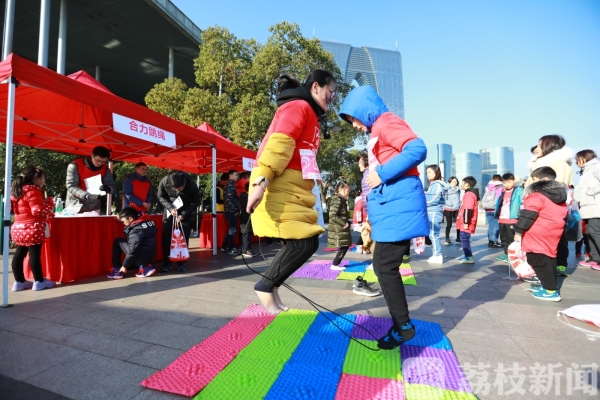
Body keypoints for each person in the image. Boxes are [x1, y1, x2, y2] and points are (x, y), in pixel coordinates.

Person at [339, 85, 428, 349]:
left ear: (363, 110)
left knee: (384, 266)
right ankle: (402, 324)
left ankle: (403, 326)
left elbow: (417, 148)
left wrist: (383, 173)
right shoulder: (376, 131)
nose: (353, 125)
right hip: (391, 208)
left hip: (398, 206)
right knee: (383, 265)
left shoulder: (386, 122)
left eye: (353, 118)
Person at [246, 70, 336, 315]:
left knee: (302, 243)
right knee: (304, 244)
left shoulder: (308, 112)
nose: (332, 98)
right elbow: (279, 144)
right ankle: (265, 285)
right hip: (279, 182)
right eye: (331, 92)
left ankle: (271, 287)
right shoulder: (299, 107)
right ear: (316, 87)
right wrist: (260, 184)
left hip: (293, 185)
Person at [515, 167, 568, 301]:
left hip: (538, 231)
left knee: (537, 258)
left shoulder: (537, 195)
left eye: (534, 179)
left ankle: (550, 291)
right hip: (553, 231)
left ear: (543, 180)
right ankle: (548, 285)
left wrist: (519, 231)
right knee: (549, 258)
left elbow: (528, 215)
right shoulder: (558, 196)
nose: (531, 182)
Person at [527, 135, 574, 272]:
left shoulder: (560, 164)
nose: (537, 148)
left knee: (553, 243)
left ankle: (552, 275)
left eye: (540, 145)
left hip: (547, 211)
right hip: (536, 208)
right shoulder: (538, 165)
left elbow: (556, 189)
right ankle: (543, 275)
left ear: (549, 146)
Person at [10, 167, 56, 291]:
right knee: (35, 254)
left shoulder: (17, 191)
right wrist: (50, 204)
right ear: (36, 179)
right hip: (32, 227)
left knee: (19, 254)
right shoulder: (34, 191)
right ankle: (39, 281)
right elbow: (38, 211)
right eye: (43, 178)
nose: (44, 181)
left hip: (18, 227)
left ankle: (19, 282)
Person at [157, 171, 200, 272]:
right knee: (167, 237)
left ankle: (181, 262)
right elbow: (161, 197)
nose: (177, 191)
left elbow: (196, 201)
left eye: (179, 189)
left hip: (185, 211)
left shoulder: (191, 184)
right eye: (174, 189)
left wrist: (184, 214)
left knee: (183, 237)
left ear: (184, 183)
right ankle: (167, 262)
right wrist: (170, 207)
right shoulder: (164, 181)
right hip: (169, 211)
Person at [107, 207, 157, 279]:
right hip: (149, 257)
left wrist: (124, 266)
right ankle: (145, 266)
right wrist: (122, 218)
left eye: (123, 221)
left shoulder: (135, 230)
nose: (123, 223)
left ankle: (116, 270)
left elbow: (133, 251)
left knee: (118, 241)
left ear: (130, 218)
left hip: (139, 258)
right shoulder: (145, 222)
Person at [66, 146, 116, 213]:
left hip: (94, 205)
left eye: (103, 161)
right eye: (98, 160)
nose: (100, 163)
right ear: (92, 155)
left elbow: (111, 185)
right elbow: (71, 186)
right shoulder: (75, 165)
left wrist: (109, 189)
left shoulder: (105, 168)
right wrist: (86, 195)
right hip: (75, 204)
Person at [574, 150, 600, 270]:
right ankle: (596, 259)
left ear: (584, 158)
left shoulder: (596, 166)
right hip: (588, 206)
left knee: (595, 231)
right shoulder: (586, 170)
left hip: (595, 205)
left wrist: (591, 191)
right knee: (590, 233)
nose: (575, 161)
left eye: (577, 159)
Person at [494, 173, 524, 263]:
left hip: (512, 219)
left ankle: (513, 255)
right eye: (505, 182)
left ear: (514, 181)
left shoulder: (519, 191)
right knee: (503, 238)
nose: (507, 184)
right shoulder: (502, 191)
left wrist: (520, 216)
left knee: (512, 238)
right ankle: (506, 254)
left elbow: (522, 204)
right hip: (502, 219)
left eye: (509, 182)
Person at [425, 164, 449, 263]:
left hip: (434, 211)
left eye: (429, 172)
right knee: (432, 234)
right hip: (432, 211)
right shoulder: (434, 184)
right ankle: (435, 254)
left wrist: (424, 203)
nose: (427, 175)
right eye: (427, 173)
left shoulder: (437, 184)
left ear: (436, 172)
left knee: (434, 235)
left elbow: (435, 199)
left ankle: (437, 255)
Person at [328, 182, 352, 270]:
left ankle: (335, 264)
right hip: (339, 228)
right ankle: (335, 264)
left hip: (340, 228)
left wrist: (348, 223)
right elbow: (333, 215)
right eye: (347, 190)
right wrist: (344, 223)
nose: (348, 192)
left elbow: (342, 215)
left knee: (344, 245)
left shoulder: (340, 199)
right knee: (344, 245)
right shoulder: (337, 199)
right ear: (340, 189)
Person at [455, 176, 479, 264]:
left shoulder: (469, 194)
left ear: (467, 184)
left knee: (464, 238)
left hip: (467, 222)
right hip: (465, 221)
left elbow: (468, 209)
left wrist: (466, 222)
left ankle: (469, 257)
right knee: (463, 238)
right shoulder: (469, 193)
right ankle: (467, 255)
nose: (461, 185)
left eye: (463, 183)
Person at [221, 170, 241, 255]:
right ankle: (231, 248)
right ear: (230, 175)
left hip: (229, 211)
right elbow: (230, 200)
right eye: (235, 175)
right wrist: (235, 211)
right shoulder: (230, 185)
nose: (237, 177)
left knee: (231, 229)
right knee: (232, 230)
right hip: (231, 211)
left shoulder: (230, 185)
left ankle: (224, 246)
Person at [481, 174, 504, 248]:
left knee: (491, 226)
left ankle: (490, 242)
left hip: (487, 209)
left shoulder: (487, 187)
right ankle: (495, 241)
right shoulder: (500, 187)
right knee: (496, 226)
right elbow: (499, 199)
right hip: (495, 209)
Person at [239, 182, 257, 257]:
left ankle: (246, 249)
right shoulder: (248, 197)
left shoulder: (244, 196)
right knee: (247, 234)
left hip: (245, 217)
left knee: (247, 233)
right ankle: (247, 250)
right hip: (246, 218)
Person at [443, 176, 461, 245]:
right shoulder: (446, 188)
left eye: (456, 181)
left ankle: (458, 238)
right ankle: (447, 239)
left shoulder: (458, 189)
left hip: (456, 208)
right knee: (449, 225)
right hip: (448, 208)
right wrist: (450, 204)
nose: (455, 183)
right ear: (450, 182)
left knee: (459, 223)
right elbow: (443, 198)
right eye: (453, 181)